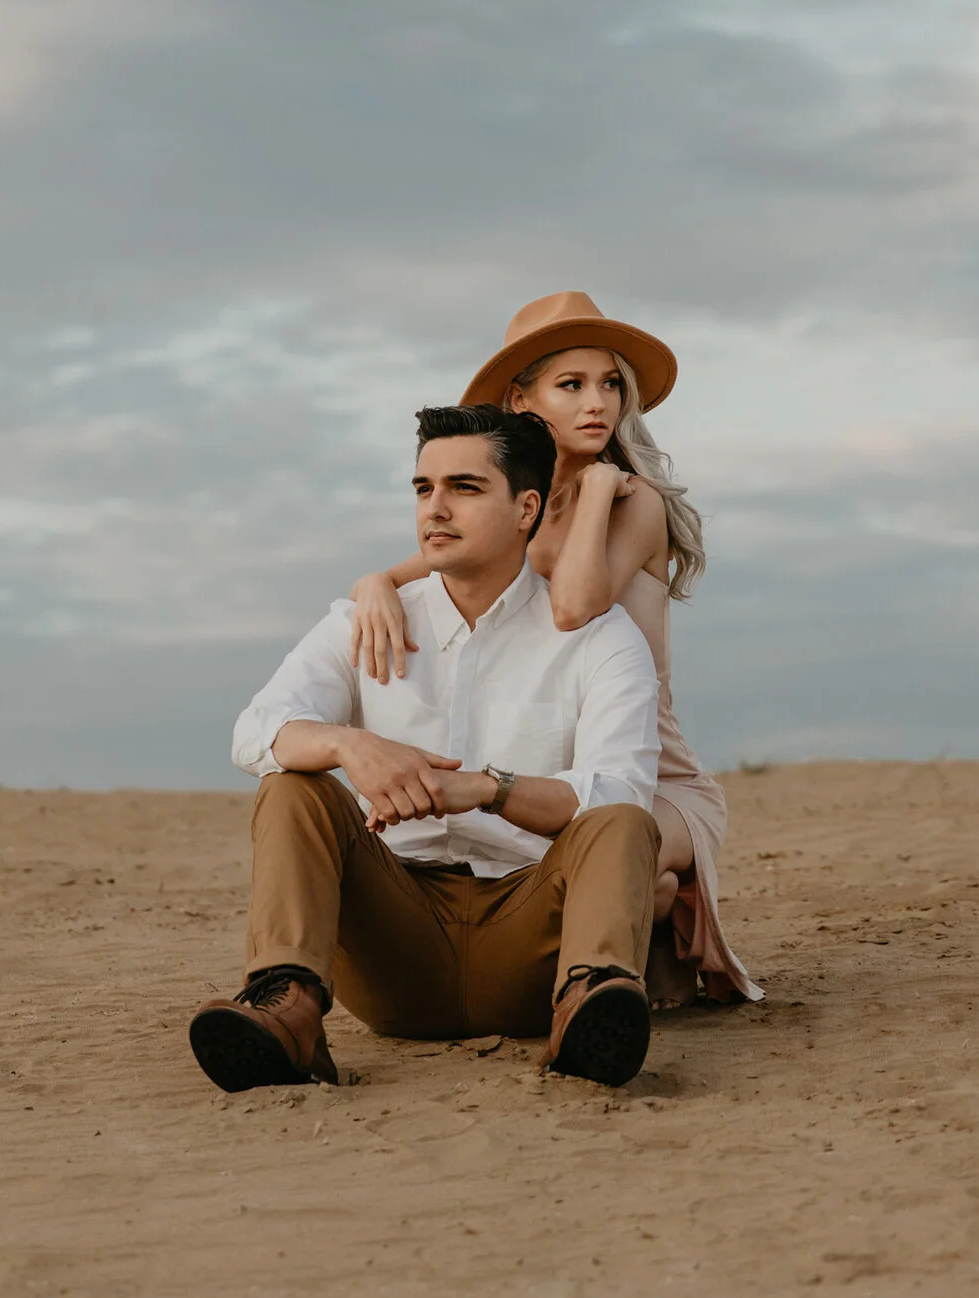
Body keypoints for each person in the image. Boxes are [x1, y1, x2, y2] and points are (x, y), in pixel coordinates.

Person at [190, 403, 666, 1092]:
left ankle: (586, 1018)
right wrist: (353, 745)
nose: (434, 508)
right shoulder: (365, 621)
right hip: (396, 947)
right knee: (295, 784)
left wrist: (488, 788)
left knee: (618, 821)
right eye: (423, 488)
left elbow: (622, 790)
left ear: (527, 506)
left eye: (464, 488)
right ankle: (286, 1014)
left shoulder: (600, 637)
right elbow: (255, 728)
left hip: (534, 948)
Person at [345, 292, 760, 1004]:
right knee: (594, 869)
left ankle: (648, 924)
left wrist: (596, 491)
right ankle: (645, 930)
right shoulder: (516, 503)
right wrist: (371, 583)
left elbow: (573, 606)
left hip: (655, 781)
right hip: (564, 777)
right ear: (521, 398)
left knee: (619, 852)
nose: (598, 402)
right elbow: (420, 564)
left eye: (609, 384)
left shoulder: (636, 502)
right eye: (572, 384)